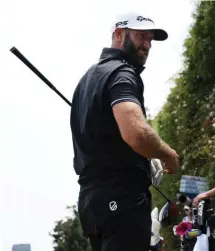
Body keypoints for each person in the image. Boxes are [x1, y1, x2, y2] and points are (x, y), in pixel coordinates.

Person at [70, 13, 179, 251]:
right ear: (119, 35)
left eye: (150, 39)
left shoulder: (88, 78)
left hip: (91, 200)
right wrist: (166, 154)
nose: (147, 45)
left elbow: (109, 136)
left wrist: (142, 158)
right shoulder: (122, 73)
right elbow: (136, 134)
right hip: (121, 197)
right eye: (141, 36)